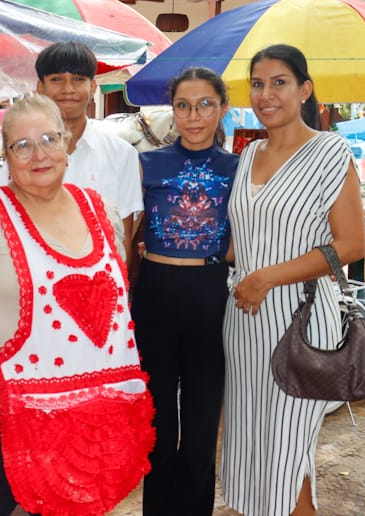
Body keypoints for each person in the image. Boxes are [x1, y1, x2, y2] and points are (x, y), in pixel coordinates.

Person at [0, 94, 154, 515]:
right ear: (7, 155)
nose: (38, 154)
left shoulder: (99, 208)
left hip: (89, 409)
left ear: (67, 143)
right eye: (22, 145)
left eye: (48, 139)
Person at [221, 44, 364, 516]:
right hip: (243, 325)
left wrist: (266, 277)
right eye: (257, 84)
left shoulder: (329, 152)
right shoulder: (247, 155)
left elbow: (350, 246)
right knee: (250, 454)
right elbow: (245, 238)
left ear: (304, 90)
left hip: (301, 324)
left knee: (287, 455)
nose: (266, 94)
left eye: (279, 82)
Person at [132, 67, 238, 515]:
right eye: (183, 105)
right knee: (156, 423)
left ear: (222, 109)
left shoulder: (239, 167)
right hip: (155, 293)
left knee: (200, 423)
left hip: (211, 294)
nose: (193, 116)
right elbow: (123, 230)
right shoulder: (146, 163)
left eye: (205, 105)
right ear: (171, 110)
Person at [0, 41, 143, 263]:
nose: (68, 89)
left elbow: (123, 241)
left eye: (78, 79)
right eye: (57, 79)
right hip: (35, 279)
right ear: (40, 88)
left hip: (98, 284)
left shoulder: (122, 155)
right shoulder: (22, 153)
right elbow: (4, 223)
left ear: (93, 88)